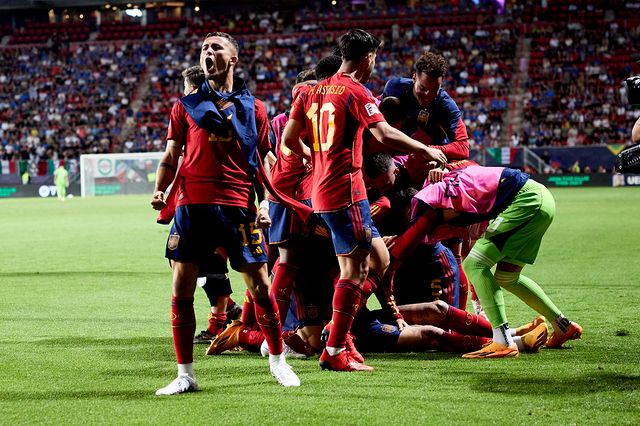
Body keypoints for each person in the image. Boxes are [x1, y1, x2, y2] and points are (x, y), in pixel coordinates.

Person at [281, 29, 448, 372]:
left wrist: (314, 159)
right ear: (369, 57)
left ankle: (340, 340)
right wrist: (425, 148)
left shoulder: (311, 92)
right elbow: (384, 133)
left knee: (377, 258)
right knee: (354, 272)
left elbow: (288, 137)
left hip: (321, 193)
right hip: (346, 192)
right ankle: (336, 347)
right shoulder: (356, 91)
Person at [150, 32, 299, 395]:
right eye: (203, 48)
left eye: (216, 47)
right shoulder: (184, 106)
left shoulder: (256, 109)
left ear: (232, 59)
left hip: (238, 206)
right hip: (191, 205)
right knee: (181, 288)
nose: (208, 52)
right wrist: (161, 188)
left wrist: (265, 203)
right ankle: (185, 374)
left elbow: (265, 161)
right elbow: (171, 155)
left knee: (261, 287)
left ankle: (278, 359)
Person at [386, 165, 583, 358]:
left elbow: (459, 252)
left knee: (475, 264)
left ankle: (503, 341)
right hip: (541, 200)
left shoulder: (428, 198)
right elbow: (468, 246)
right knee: (508, 277)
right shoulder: (454, 200)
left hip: (525, 201)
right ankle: (562, 324)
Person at [381, 52, 469, 160]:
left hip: (426, 158)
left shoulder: (446, 105)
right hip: (395, 150)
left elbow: (463, 147)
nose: (428, 95)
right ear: (414, 77)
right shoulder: (395, 88)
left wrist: (426, 150)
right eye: (423, 88)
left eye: (434, 90)